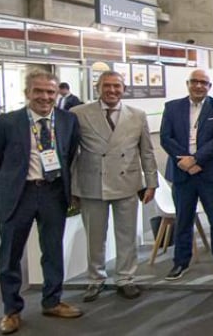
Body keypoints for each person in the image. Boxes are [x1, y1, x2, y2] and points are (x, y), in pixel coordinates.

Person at [0, 72, 83, 335]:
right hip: (19, 195)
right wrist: (10, 181)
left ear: (57, 94)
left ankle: (52, 301)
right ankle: (11, 310)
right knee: (10, 255)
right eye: (38, 91)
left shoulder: (67, 120)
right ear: (27, 93)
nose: (45, 97)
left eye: (50, 92)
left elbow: (69, 153)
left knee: (53, 250)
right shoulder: (7, 122)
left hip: (53, 193)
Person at [73, 71, 157, 301]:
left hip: (127, 182)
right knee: (95, 236)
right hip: (92, 183)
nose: (112, 90)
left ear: (124, 89)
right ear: (97, 88)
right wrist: (72, 186)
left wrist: (151, 183)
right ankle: (95, 278)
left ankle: (125, 278)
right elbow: (70, 153)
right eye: (107, 86)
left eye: (116, 86)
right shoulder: (79, 114)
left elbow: (147, 151)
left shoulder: (137, 115)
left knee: (127, 235)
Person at [159, 69, 213, 281]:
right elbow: (165, 138)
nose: (199, 86)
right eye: (195, 82)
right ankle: (180, 262)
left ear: (209, 87)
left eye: (203, 82)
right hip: (182, 172)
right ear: (188, 84)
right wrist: (184, 161)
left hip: (210, 171)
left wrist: (196, 159)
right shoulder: (172, 107)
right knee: (183, 219)